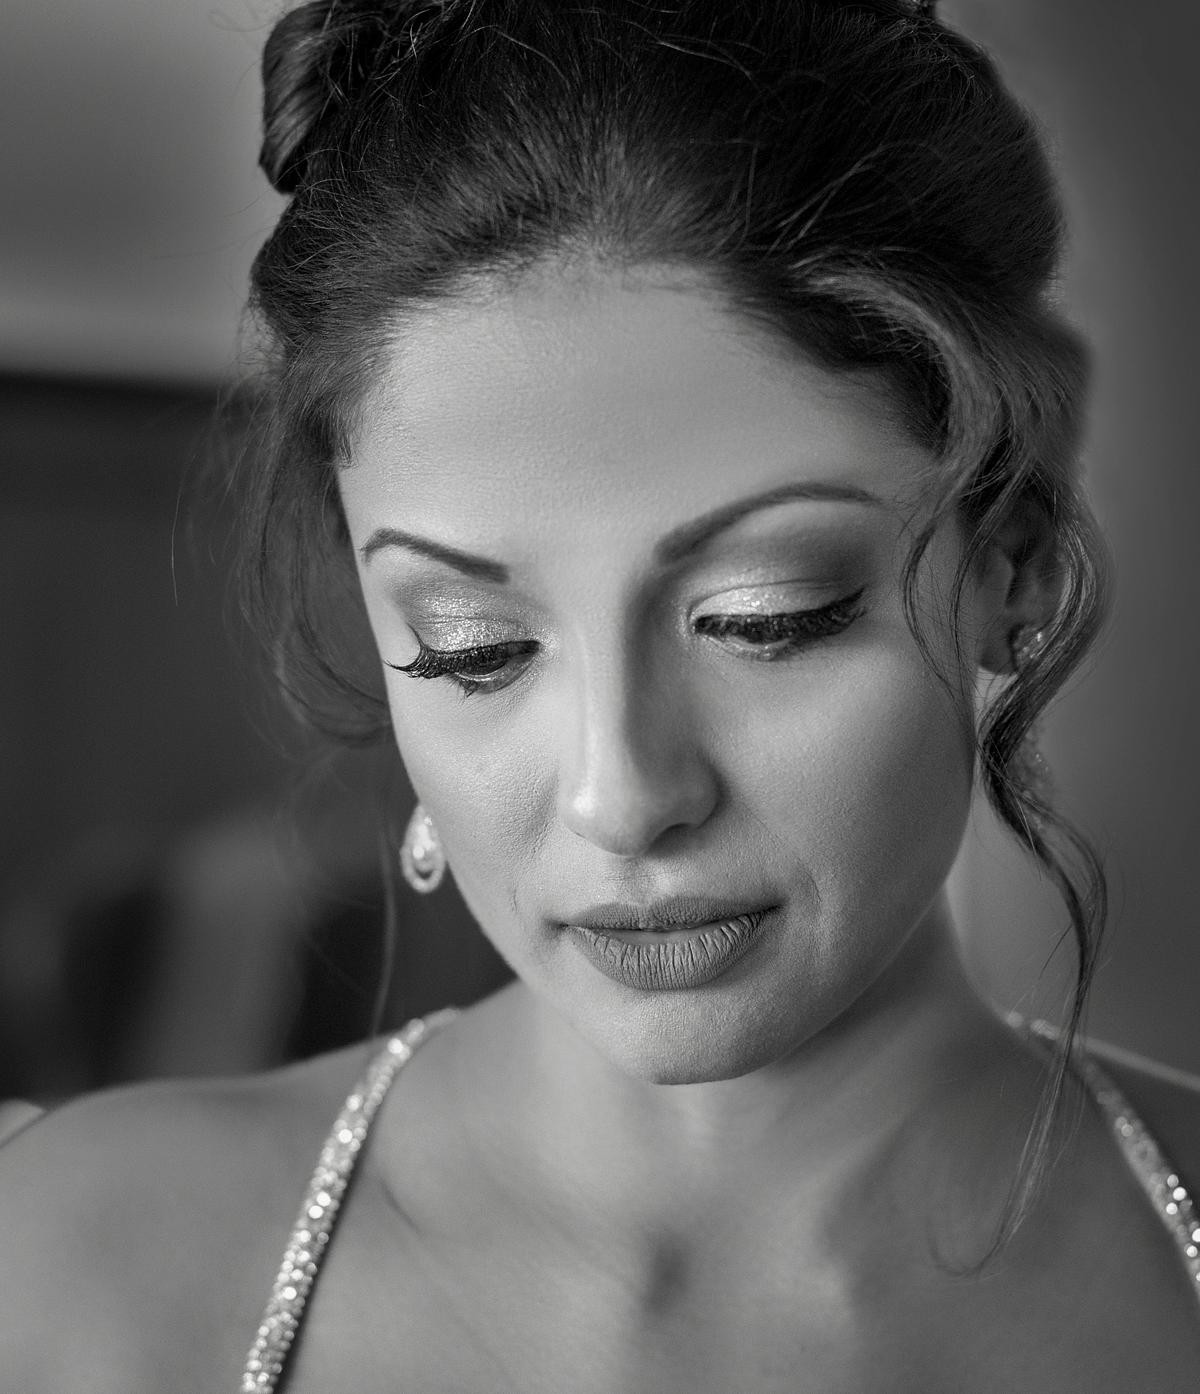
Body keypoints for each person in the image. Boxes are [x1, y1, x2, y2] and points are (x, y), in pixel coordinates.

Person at [3, 1, 1199, 1389]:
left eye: (765, 619)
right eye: (474, 649)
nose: (620, 797)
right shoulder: (60, 1263)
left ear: (1014, 570)